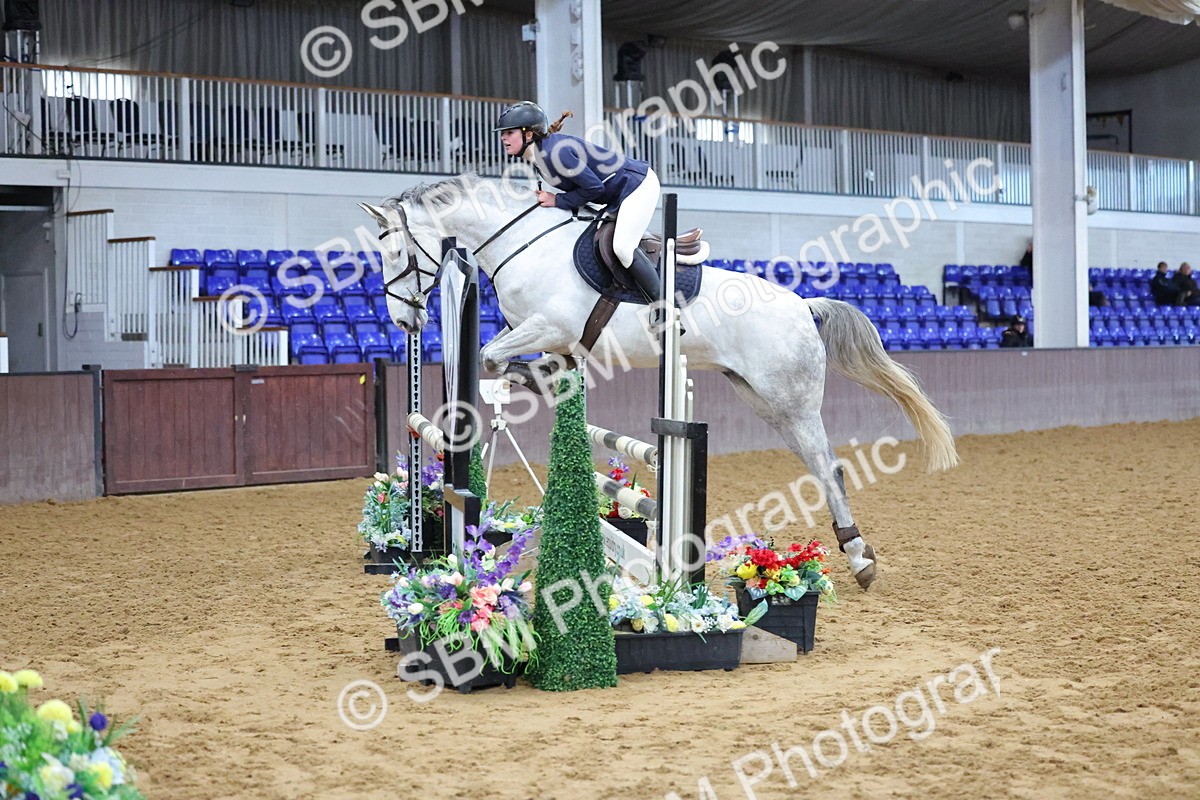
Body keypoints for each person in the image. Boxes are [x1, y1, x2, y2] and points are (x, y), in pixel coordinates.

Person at [493, 100, 664, 307]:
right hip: (615, 194)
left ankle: (664, 306)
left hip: (637, 185)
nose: (503, 137)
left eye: (509, 132)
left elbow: (594, 188)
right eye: (503, 133)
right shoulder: (539, 156)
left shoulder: (556, 153)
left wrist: (557, 200)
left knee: (623, 248)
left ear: (528, 135)